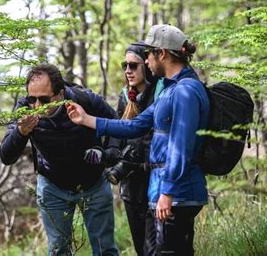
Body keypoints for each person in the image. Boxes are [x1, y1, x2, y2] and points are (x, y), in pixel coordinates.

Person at [67, 24, 210, 255]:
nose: (146, 61)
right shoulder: (170, 92)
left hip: (176, 195)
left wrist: (168, 192)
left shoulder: (185, 91)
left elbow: (181, 146)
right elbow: (136, 125)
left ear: (161, 54)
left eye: (147, 55)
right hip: (163, 193)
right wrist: (87, 119)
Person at [0, 63, 119, 256]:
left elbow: (116, 123)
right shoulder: (24, 110)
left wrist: (109, 151)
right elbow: (6, 156)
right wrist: (21, 133)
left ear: (60, 94)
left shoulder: (85, 99)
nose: (37, 106)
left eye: (44, 100)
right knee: (58, 250)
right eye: (32, 99)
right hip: (52, 185)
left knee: (105, 248)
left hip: (93, 183)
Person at [84, 42, 161, 255]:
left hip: (153, 180)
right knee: (140, 246)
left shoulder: (160, 94)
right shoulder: (125, 96)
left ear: (146, 66)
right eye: (124, 65)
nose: (128, 70)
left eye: (133, 65)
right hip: (130, 185)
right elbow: (118, 133)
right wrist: (108, 154)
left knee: (154, 247)